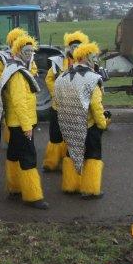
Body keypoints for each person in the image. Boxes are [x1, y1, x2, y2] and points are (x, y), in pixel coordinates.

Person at [0, 35, 48, 209]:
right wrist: (27, 127)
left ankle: (15, 187)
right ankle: (33, 196)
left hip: (15, 122)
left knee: (14, 154)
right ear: (17, 51)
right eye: (26, 51)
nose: (29, 54)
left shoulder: (15, 68)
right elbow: (18, 102)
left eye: (31, 51)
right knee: (28, 157)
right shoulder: (17, 73)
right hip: (21, 123)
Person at [55, 42, 109, 198]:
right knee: (93, 155)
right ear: (86, 58)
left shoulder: (62, 76)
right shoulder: (93, 78)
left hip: (69, 124)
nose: (95, 60)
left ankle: (70, 185)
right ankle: (90, 190)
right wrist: (102, 123)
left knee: (71, 152)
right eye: (93, 57)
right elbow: (96, 106)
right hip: (88, 125)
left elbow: (57, 101)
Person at [42, 31, 90, 172]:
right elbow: (49, 79)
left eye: (78, 47)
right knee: (55, 135)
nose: (75, 49)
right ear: (68, 48)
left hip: (76, 108)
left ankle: (71, 164)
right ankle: (51, 161)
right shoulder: (58, 62)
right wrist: (57, 93)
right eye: (72, 46)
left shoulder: (86, 63)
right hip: (58, 106)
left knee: (73, 136)